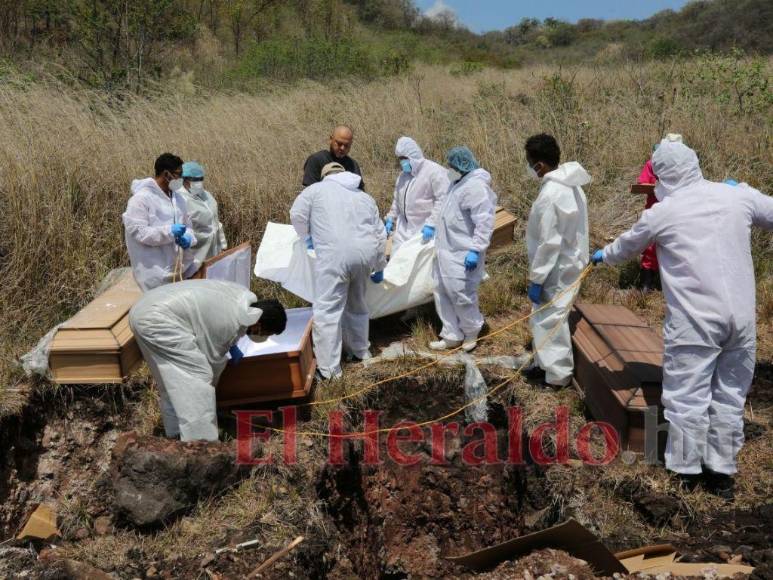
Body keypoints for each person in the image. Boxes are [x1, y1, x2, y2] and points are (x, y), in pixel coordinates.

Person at [591, 141, 773, 499]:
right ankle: (720, 473)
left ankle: (687, 472)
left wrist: (602, 256)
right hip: (741, 320)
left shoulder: (663, 211)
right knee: (730, 394)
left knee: (687, 396)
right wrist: (746, 191)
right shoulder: (736, 197)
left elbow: (626, 246)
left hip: (696, 323)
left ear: (661, 175)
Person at [129, 279, 287, 441]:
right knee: (196, 375)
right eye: (265, 332)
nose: (261, 336)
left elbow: (210, 323)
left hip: (144, 308)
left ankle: (174, 434)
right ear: (259, 324)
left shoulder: (241, 297)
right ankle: (201, 443)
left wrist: (231, 345)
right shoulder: (230, 322)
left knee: (172, 380)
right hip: (157, 319)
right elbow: (210, 361)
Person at [290, 162, 386, 379]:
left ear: (325, 177)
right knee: (358, 305)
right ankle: (360, 351)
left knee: (328, 311)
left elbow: (296, 215)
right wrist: (379, 265)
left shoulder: (314, 191)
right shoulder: (363, 196)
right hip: (364, 256)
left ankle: (330, 371)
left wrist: (307, 237)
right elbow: (379, 233)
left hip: (334, 257)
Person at [522, 134, 590, 387]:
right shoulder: (571, 184)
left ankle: (558, 376)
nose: (528, 167)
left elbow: (548, 242)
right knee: (544, 316)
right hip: (568, 261)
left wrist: (537, 278)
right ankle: (543, 364)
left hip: (556, 267)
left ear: (539, 165)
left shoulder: (553, 193)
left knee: (552, 319)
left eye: (529, 162)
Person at [429, 146, 496, 353]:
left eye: (452, 165)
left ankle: (471, 331)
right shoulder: (456, 183)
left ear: (461, 165)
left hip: (463, 252)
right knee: (442, 291)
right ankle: (451, 334)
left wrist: (476, 249)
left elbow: (484, 222)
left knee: (461, 293)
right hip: (446, 251)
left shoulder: (476, 187)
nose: (449, 169)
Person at [123, 153, 198, 291]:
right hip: (154, 273)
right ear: (166, 174)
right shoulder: (141, 200)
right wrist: (170, 231)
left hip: (179, 270)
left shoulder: (179, 199)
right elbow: (140, 233)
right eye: (178, 175)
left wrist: (189, 238)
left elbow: (189, 228)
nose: (181, 179)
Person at [384, 136, 450, 253]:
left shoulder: (433, 172)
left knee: (420, 268)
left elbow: (443, 199)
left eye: (404, 158)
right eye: (400, 158)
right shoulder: (403, 176)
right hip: (403, 230)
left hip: (424, 231)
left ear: (413, 155)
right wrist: (390, 217)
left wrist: (431, 224)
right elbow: (397, 200)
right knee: (398, 264)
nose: (402, 162)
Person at [637, 133, 683, 292]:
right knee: (651, 245)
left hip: (676, 211)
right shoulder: (653, 163)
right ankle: (646, 285)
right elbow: (642, 183)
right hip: (655, 210)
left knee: (674, 246)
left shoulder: (685, 166)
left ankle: (666, 285)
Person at [178, 161, 228, 264]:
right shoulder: (180, 199)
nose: (199, 183)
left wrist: (223, 245)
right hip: (195, 255)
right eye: (195, 180)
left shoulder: (207, 196)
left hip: (214, 251)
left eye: (201, 179)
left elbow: (216, 222)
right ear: (185, 180)